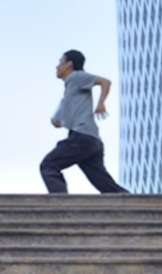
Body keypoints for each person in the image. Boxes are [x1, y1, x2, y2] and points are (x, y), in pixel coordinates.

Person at [41, 49, 130, 194]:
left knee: (48, 165)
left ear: (69, 64)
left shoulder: (77, 76)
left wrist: (101, 104)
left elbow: (105, 82)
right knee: (105, 184)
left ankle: (60, 203)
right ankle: (131, 201)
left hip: (82, 138)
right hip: (91, 140)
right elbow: (70, 111)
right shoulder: (70, 87)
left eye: (60, 62)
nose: (57, 66)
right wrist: (59, 121)